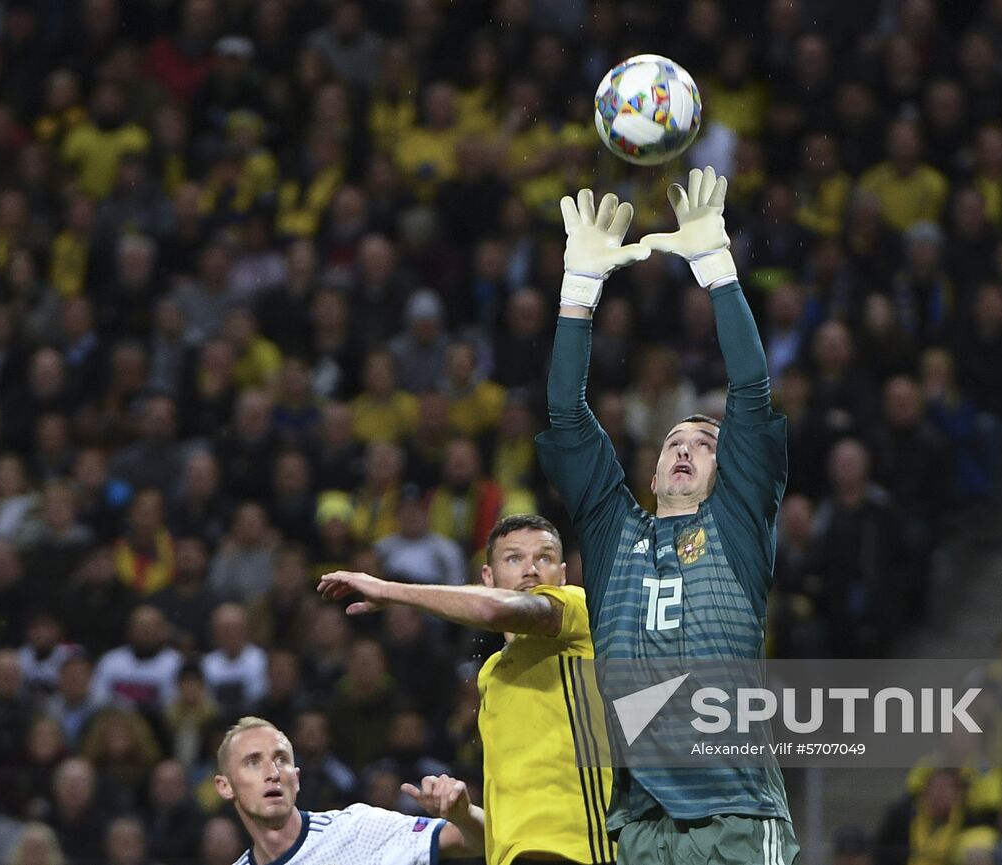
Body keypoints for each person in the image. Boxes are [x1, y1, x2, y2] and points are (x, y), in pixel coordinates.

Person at [537, 169, 798, 863]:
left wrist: (716, 267)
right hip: (642, 818)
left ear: (729, 470)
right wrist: (580, 291)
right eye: (675, 442)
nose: (687, 447)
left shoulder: (738, 525)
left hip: (736, 813)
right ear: (650, 471)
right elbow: (567, 412)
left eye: (706, 443)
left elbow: (750, 385)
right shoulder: (611, 527)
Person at [318, 513, 615, 865]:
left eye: (544, 558)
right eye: (514, 558)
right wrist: (462, 813)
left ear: (562, 576)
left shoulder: (579, 611)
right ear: (488, 577)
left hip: (586, 855)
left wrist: (390, 590)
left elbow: (493, 611)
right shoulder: (491, 674)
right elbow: (499, 834)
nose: (531, 570)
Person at [212, 716, 483, 865]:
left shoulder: (358, 830)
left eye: (281, 759)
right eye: (253, 762)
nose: (272, 773)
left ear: (296, 779)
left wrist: (464, 814)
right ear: (225, 786)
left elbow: (485, 841)